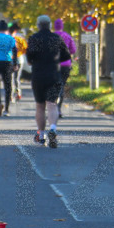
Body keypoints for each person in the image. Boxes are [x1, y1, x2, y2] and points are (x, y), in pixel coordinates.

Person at [26, 15, 71, 148]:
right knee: (52, 104)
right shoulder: (56, 38)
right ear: (50, 25)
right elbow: (66, 56)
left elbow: (29, 58)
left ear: (38, 25)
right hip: (54, 75)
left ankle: (41, 135)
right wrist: (54, 59)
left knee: (40, 106)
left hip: (38, 76)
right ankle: (53, 129)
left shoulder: (33, 39)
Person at [54, 18, 77, 116]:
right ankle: (59, 108)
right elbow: (73, 50)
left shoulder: (52, 36)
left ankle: (53, 107)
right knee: (62, 85)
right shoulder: (67, 36)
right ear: (62, 26)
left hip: (53, 64)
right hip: (65, 64)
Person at [9, 22, 28, 101]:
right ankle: (18, 93)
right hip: (19, 59)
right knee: (17, 78)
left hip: (10, 60)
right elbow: (25, 49)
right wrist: (20, 53)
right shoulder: (20, 39)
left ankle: (10, 95)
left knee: (10, 78)